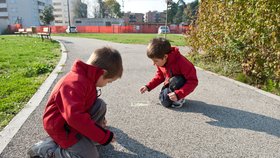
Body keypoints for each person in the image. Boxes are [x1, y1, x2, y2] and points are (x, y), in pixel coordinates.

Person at [28, 47, 123, 158]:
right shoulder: (74, 83)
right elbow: (75, 117)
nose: (107, 84)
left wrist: (99, 128)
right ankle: (47, 149)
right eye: (109, 81)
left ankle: (88, 139)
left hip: (71, 123)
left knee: (99, 105)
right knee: (90, 156)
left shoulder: (88, 78)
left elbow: (87, 106)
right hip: (61, 127)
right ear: (102, 73)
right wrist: (103, 136)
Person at [139, 37, 198, 108]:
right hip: (170, 83)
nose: (153, 63)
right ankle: (167, 91)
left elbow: (193, 81)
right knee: (165, 102)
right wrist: (148, 86)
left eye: (155, 60)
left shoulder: (182, 63)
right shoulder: (161, 61)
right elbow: (160, 76)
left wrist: (179, 94)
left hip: (180, 84)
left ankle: (179, 99)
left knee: (177, 80)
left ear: (165, 56)